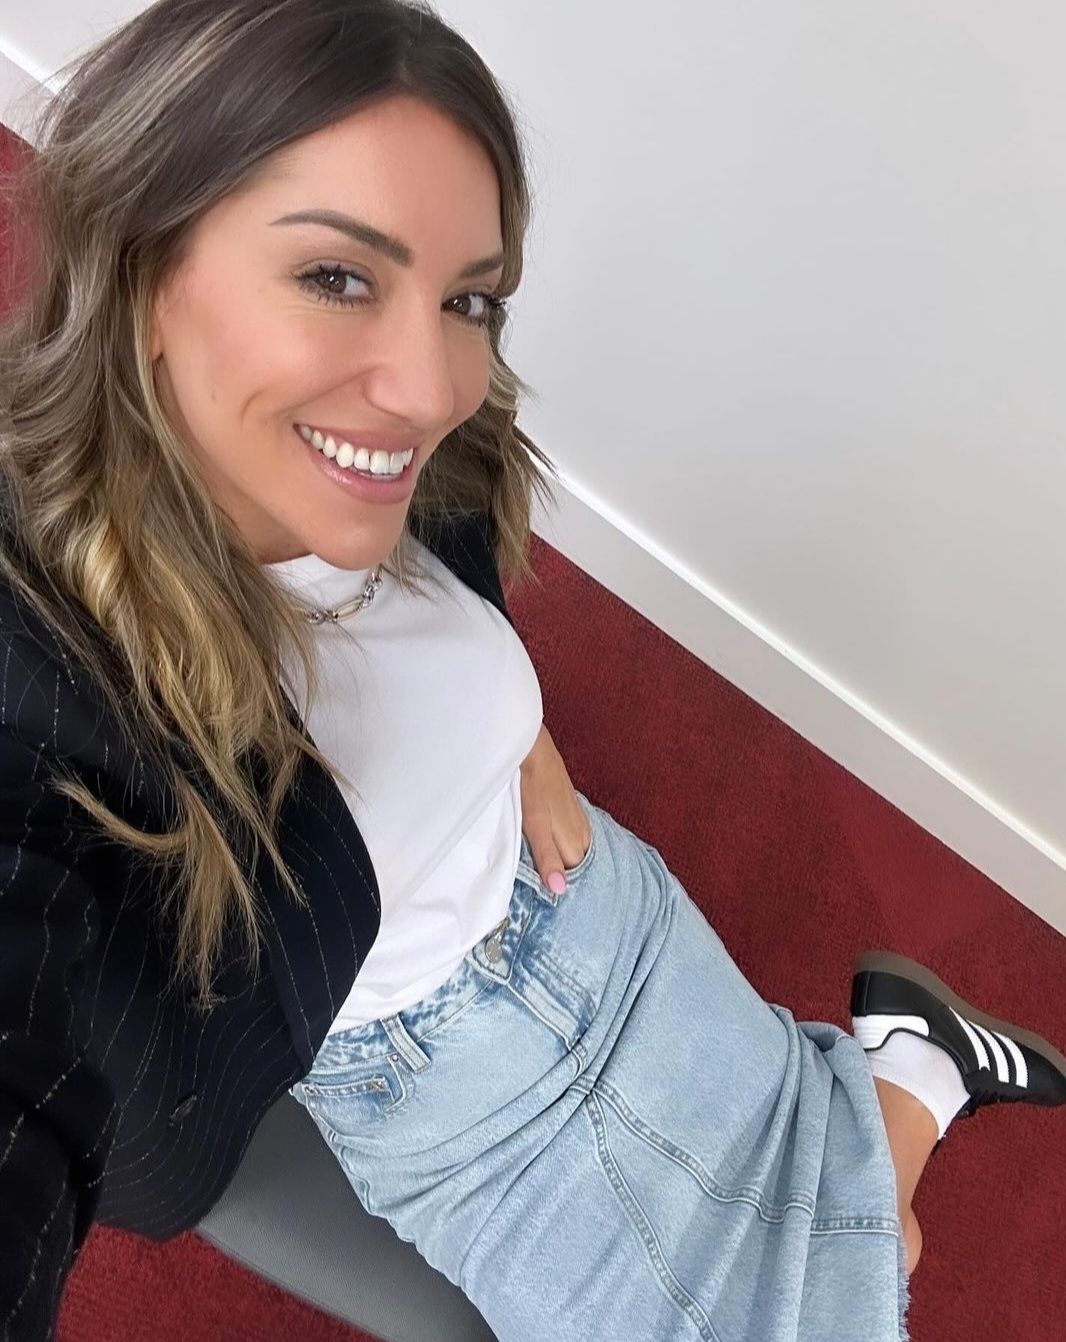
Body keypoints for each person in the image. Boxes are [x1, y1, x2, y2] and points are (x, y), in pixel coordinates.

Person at [0, 2, 1062, 1340]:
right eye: (336, 276)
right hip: (449, 1110)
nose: (430, 385)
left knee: (840, 1235)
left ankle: (908, 1068)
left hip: (594, 908)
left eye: (467, 300)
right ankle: (916, 1068)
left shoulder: (406, 461)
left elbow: (445, 568)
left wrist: (519, 735)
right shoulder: (44, 681)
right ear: (147, 265)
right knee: (862, 1271)